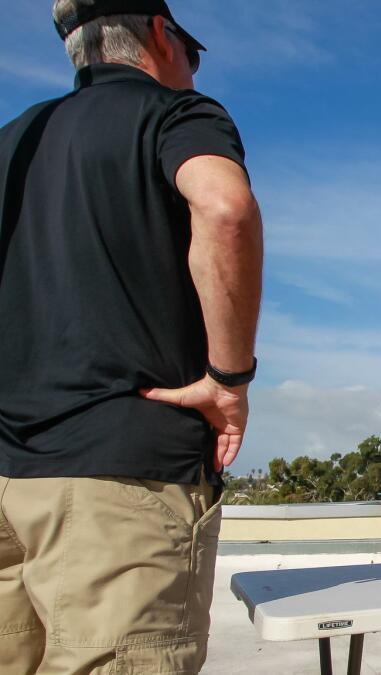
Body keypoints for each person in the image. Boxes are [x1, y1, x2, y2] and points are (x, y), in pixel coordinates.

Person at [0, 1, 262, 672]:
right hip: (121, 488)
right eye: (193, 54)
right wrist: (229, 381)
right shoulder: (174, 114)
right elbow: (225, 207)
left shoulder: (12, 141)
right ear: (158, 34)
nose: (194, 71)